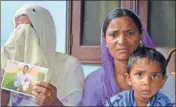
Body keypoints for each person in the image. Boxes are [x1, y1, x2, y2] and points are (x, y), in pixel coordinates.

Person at [80, 8, 175, 106]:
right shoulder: (93, 82)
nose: (121, 41)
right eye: (113, 35)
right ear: (105, 39)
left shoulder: (161, 78)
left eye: (130, 33)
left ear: (141, 35)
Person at [1, 4, 84, 106]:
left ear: (45, 31)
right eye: (18, 28)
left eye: (29, 28)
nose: (23, 35)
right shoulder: (11, 64)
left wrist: (53, 102)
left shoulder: (69, 65)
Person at [105, 47, 173, 106]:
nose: (146, 82)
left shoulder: (165, 103)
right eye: (139, 74)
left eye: (154, 76)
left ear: (163, 81)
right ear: (129, 78)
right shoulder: (115, 103)